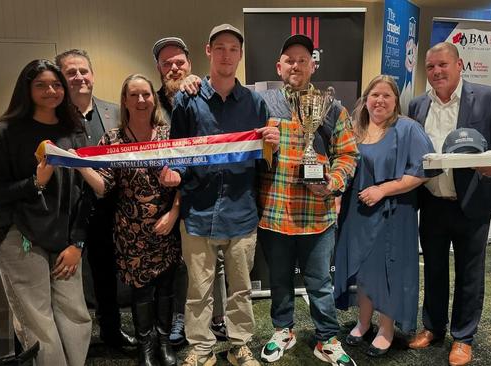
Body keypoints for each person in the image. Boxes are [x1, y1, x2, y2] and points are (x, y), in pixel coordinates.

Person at [162, 24, 280, 366]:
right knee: (198, 291)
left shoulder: (255, 103)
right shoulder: (188, 98)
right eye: (221, 48)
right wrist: (174, 173)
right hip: (198, 212)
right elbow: (179, 151)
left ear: (240, 56)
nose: (227, 54)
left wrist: (270, 146)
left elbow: (263, 160)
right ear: (209, 51)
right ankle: (201, 347)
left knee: (241, 290)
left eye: (233, 49)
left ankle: (239, 344)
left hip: (240, 211)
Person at [0, 59, 92, 365]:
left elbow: (85, 193)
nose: (51, 91)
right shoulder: (4, 132)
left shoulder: (73, 130)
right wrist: (35, 183)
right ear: (26, 90)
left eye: (56, 84)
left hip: (64, 239)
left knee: (75, 315)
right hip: (19, 236)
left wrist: (77, 242)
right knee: (39, 321)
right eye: (41, 85)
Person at [407, 42, 491, 366]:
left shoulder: (489, 97)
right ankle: (433, 327)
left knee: (470, 273)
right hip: (432, 202)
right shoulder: (417, 105)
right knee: (433, 268)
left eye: (443, 65)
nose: (437, 72)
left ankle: (463, 337)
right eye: (430, 67)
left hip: (472, 202)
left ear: (460, 65)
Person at [255, 34, 357, 366]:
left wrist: (332, 184)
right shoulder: (263, 105)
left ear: (313, 65)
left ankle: (326, 339)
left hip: (318, 214)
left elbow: (347, 156)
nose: (296, 65)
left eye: (303, 59)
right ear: (279, 66)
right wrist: (261, 144)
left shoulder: (333, 108)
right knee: (280, 280)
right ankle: (283, 330)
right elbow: (247, 153)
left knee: (319, 283)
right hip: (275, 212)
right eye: (290, 59)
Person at [78, 74, 181, 366]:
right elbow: (104, 186)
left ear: (154, 98)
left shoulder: (168, 134)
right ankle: (145, 345)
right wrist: (80, 165)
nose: (140, 100)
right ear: (124, 100)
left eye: (146, 94)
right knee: (142, 290)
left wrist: (174, 214)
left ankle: (163, 342)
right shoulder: (112, 139)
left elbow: (185, 179)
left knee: (165, 289)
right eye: (133, 95)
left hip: (166, 226)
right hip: (131, 231)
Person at [333, 75, 438, 358]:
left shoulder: (408, 129)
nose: (379, 100)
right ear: (365, 99)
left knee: (389, 271)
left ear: (395, 101)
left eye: (386, 96)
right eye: (374, 95)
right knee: (364, 271)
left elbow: (423, 171)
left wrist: (383, 190)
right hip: (358, 214)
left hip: (393, 214)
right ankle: (364, 322)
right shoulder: (356, 129)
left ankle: (386, 329)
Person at [54, 49, 136, 348]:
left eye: (83, 71)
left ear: (93, 75)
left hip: (107, 209)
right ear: (60, 78)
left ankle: (112, 330)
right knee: (69, 278)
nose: (79, 78)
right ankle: (74, 338)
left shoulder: (115, 113)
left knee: (105, 274)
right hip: (67, 212)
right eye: (70, 72)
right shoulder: (53, 118)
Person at [151, 37, 229, 346]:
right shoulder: (149, 100)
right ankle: (180, 318)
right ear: (158, 68)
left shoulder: (200, 94)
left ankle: (218, 317)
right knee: (177, 266)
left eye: (179, 62)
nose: (173, 68)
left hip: (195, 197)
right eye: (166, 63)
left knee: (212, 261)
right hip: (157, 199)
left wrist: (177, 208)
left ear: (190, 63)